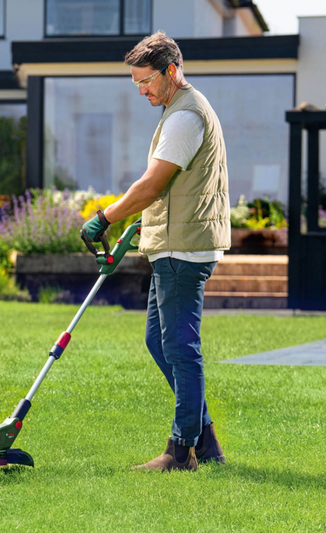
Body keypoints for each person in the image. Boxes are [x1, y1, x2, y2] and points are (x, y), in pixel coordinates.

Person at [82, 31, 230, 472]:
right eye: (135, 84)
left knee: (181, 348)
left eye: (145, 81)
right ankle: (206, 443)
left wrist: (106, 217)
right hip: (174, 244)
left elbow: (151, 184)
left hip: (184, 252)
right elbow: (177, 187)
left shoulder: (185, 116)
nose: (141, 90)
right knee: (158, 340)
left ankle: (180, 449)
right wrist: (143, 220)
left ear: (170, 71)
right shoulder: (178, 110)